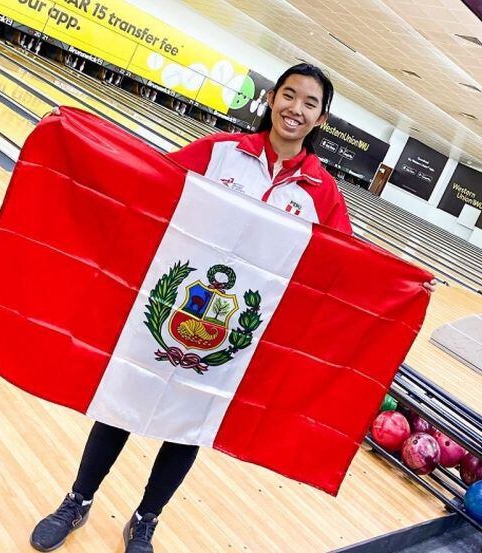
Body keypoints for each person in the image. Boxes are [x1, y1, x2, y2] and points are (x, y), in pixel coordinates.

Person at [30, 63, 436, 553]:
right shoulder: (219, 153)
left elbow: (340, 272)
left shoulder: (321, 193)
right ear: (271, 99)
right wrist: (77, 137)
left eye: (310, 103)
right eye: (289, 95)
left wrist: (404, 286)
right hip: (172, 308)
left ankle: (145, 520)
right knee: (122, 404)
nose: (296, 109)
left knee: (188, 428)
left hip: (237, 338)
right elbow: (149, 183)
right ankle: (77, 501)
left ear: (321, 119)